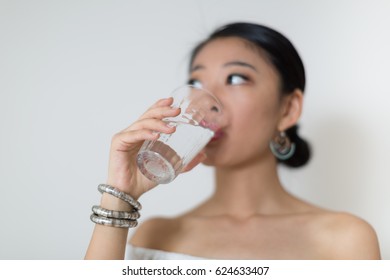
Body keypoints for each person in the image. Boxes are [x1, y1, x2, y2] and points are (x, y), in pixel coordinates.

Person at [85, 22, 381, 260]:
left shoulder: (344, 239)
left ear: (288, 109)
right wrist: (120, 197)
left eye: (236, 79)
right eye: (197, 83)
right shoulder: (157, 235)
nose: (206, 102)